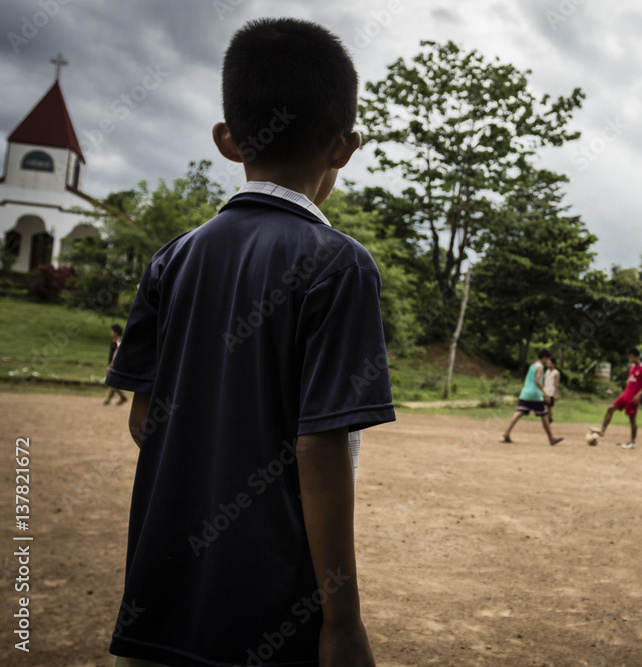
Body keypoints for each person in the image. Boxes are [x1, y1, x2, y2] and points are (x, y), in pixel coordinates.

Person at [105, 19, 394, 667]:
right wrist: (342, 625)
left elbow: (145, 418)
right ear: (344, 147)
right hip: (269, 616)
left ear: (228, 140)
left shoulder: (170, 260)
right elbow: (320, 449)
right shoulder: (339, 265)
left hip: (158, 606)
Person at [591, 348, 642, 449]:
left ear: (637, 357)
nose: (629, 359)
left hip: (633, 398)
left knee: (632, 419)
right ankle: (602, 430)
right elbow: (630, 382)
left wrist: (638, 395)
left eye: (631, 357)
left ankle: (632, 442)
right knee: (610, 408)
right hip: (625, 396)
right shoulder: (632, 367)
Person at [501, 348, 564, 445]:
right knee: (544, 415)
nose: (548, 361)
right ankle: (551, 438)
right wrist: (545, 393)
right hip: (534, 394)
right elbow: (537, 381)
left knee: (518, 413)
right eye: (547, 359)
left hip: (525, 393)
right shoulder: (540, 367)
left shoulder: (532, 365)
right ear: (544, 357)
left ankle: (506, 433)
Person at [103, 324, 127, 405]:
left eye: (112, 331)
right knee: (112, 381)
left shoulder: (118, 342)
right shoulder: (114, 342)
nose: (111, 332)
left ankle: (109, 400)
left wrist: (111, 365)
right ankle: (122, 397)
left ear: (116, 332)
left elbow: (118, 354)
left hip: (116, 365)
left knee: (112, 381)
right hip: (113, 364)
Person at [542, 355, 561, 422]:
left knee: (549, 406)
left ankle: (549, 419)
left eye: (550, 363)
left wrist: (555, 394)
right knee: (543, 405)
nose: (548, 364)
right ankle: (546, 418)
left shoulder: (556, 373)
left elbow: (556, 384)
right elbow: (544, 381)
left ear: (553, 364)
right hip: (545, 391)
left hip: (551, 392)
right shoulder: (546, 371)